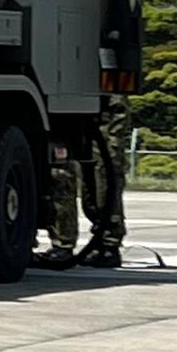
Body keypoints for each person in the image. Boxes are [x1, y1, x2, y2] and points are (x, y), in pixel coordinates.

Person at [42, 95, 130, 270]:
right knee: (61, 171)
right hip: (64, 100)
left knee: (104, 172)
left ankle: (107, 245)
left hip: (100, 100)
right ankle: (64, 244)